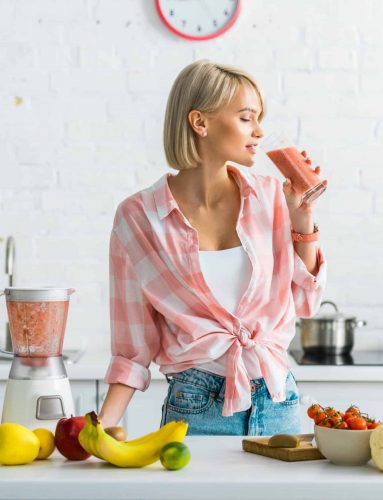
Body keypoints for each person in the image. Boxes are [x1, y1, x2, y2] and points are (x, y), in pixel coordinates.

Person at [98, 60, 327, 436]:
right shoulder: (138, 217)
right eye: (246, 118)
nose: (259, 131)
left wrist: (303, 221)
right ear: (199, 122)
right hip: (196, 404)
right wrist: (100, 427)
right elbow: (132, 347)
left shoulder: (271, 197)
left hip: (277, 397)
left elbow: (306, 302)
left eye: (259, 119)